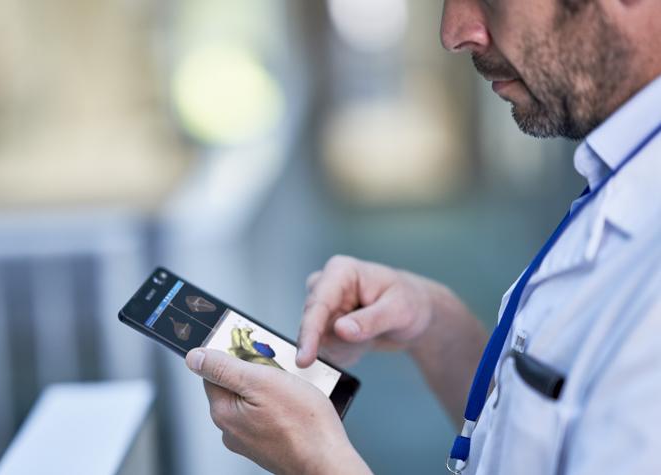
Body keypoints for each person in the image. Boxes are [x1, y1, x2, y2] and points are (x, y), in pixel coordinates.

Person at [184, 0, 661, 472]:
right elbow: (551, 434)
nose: (453, 32)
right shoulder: (620, 168)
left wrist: (318, 463)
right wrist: (435, 324)